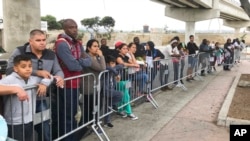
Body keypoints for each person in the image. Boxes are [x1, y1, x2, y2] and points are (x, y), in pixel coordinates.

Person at [6, 29, 64, 141]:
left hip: (40, 99)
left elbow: (58, 71)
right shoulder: (19, 51)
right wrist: (37, 72)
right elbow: (9, 70)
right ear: (30, 41)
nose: (42, 42)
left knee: (44, 128)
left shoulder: (51, 54)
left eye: (43, 40)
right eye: (38, 40)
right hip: (22, 99)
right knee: (22, 131)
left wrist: (60, 77)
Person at [54, 19, 91, 141]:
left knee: (74, 114)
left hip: (76, 83)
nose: (74, 29)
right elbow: (73, 66)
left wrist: (78, 62)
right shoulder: (62, 43)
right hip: (66, 84)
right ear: (65, 28)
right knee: (67, 116)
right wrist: (80, 62)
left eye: (75, 27)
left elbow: (88, 60)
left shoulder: (77, 43)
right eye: (71, 27)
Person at [0, 55, 53, 141]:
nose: (28, 69)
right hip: (14, 122)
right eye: (23, 66)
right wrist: (15, 89)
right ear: (16, 68)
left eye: (30, 66)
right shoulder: (9, 80)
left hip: (30, 120)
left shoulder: (33, 79)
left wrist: (44, 84)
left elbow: (50, 77)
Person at [79, 39, 106, 127]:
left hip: (96, 85)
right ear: (88, 48)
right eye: (94, 46)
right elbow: (102, 68)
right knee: (89, 107)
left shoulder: (95, 57)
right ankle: (87, 124)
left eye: (98, 46)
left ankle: (93, 122)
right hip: (89, 87)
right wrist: (101, 56)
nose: (97, 48)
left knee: (97, 105)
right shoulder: (88, 58)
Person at [115, 42, 138, 120]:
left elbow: (134, 62)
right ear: (119, 49)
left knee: (125, 95)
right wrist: (133, 65)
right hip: (120, 80)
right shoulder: (118, 57)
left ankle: (121, 110)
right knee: (125, 96)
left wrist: (131, 54)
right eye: (123, 48)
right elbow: (122, 64)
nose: (125, 50)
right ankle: (129, 112)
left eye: (126, 48)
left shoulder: (126, 57)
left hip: (127, 79)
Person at [102, 55, 123, 127]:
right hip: (106, 90)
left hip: (111, 89)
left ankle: (107, 122)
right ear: (107, 63)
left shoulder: (112, 70)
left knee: (108, 105)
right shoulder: (105, 70)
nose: (113, 65)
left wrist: (114, 70)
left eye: (114, 63)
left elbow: (121, 66)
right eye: (111, 63)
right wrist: (116, 72)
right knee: (120, 94)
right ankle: (112, 105)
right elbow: (107, 68)